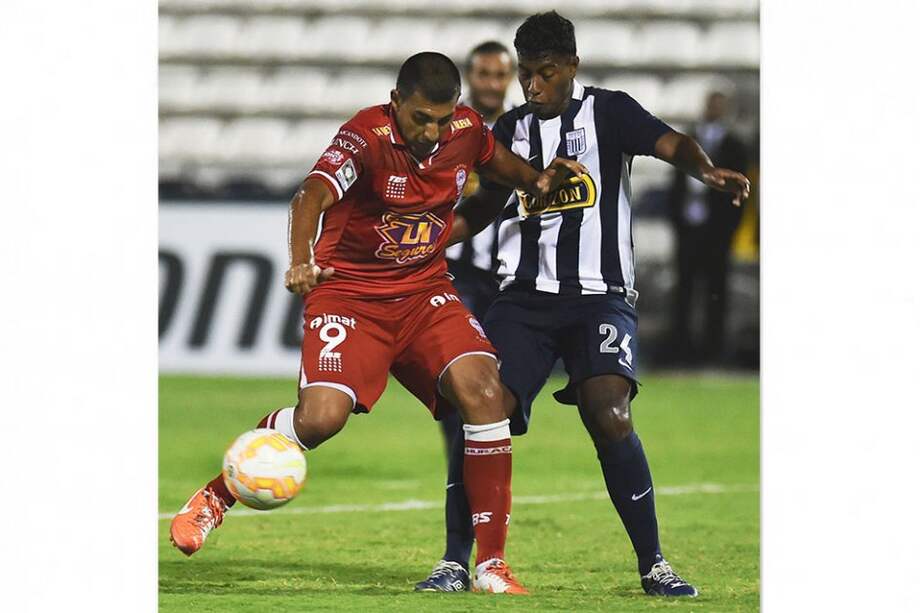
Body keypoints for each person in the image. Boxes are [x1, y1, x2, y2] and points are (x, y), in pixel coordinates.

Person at [168, 51, 586, 595]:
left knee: (485, 393)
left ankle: (490, 565)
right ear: (396, 104)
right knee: (320, 421)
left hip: (423, 292)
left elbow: (503, 167)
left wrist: (537, 180)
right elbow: (310, 195)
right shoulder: (364, 136)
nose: (432, 132)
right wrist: (300, 260)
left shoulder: (466, 130)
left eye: (441, 119)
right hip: (350, 297)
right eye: (420, 119)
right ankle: (216, 497)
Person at [414, 13, 749, 598]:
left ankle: (654, 565)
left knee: (609, 413)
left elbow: (670, 142)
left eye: (545, 74)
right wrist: (431, 236)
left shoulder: (610, 112)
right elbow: (488, 204)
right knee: (480, 412)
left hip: (601, 298)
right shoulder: (510, 131)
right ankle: (453, 560)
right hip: (522, 302)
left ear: (572, 65)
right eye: (526, 75)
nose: (533, 86)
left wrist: (705, 172)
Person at [667, 89, 750, 365]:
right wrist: (677, 219)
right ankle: (681, 350)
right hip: (689, 227)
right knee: (685, 291)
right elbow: (675, 184)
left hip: (717, 231)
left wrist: (729, 228)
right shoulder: (688, 140)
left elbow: (742, 189)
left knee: (717, 292)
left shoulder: (735, 145)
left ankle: (713, 351)